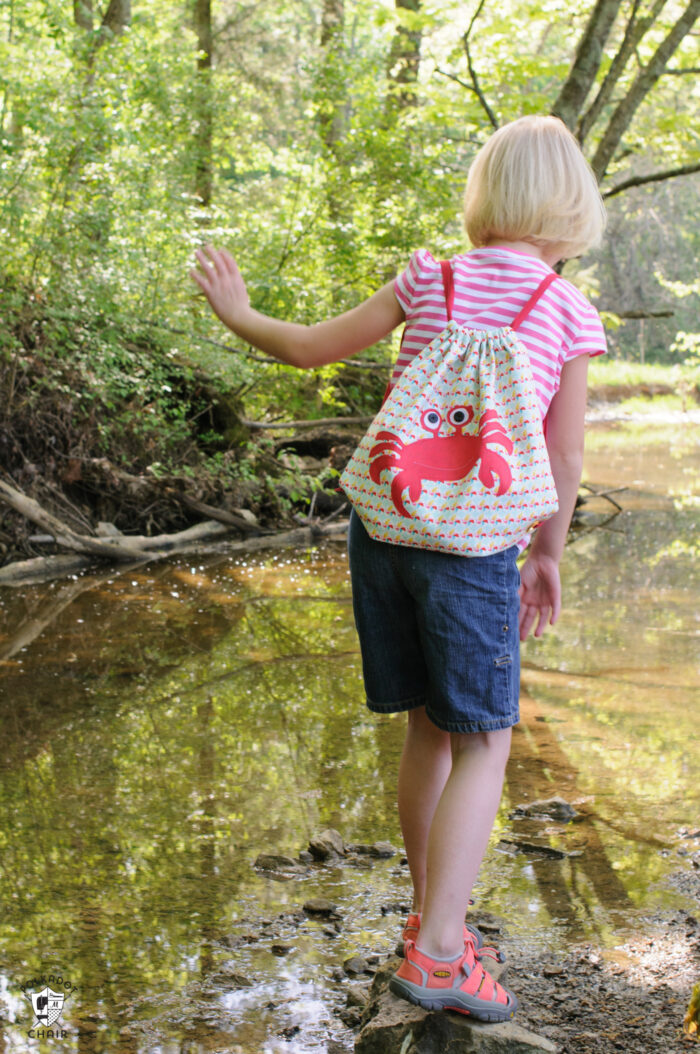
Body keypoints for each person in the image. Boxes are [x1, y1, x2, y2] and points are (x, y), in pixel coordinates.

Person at [190, 114, 607, 1022]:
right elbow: (563, 460)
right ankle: (444, 954)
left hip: (384, 530)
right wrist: (545, 552)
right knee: (485, 740)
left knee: (426, 728)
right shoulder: (566, 311)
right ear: (571, 204)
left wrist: (239, 312)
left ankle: (431, 912)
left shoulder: (432, 277)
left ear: (486, 194)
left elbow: (307, 348)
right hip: (474, 546)